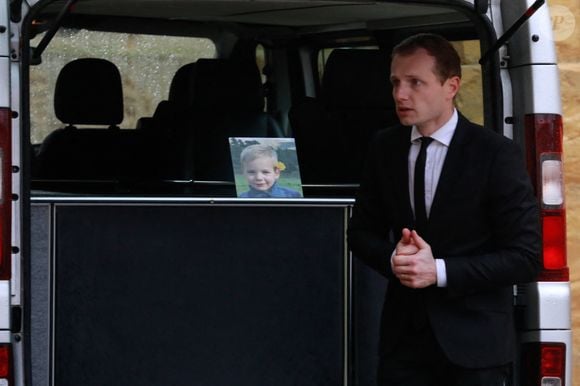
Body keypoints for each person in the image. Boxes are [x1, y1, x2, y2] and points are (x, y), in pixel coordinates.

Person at [347, 33, 541, 386]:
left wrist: (438, 271)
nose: (400, 94)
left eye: (415, 82)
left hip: (475, 347)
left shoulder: (494, 153)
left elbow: (525, 257)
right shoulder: (385, 147)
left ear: (451, 85)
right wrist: (394, 260)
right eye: (395, 82)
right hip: (402, 344)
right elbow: (360, 232)